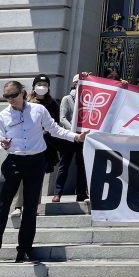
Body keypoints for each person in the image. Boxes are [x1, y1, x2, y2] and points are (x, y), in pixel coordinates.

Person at [0, 80, 88, 264]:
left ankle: (24, 251)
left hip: (36, 161)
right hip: (13, 161)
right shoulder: (2, 116)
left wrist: (75, 137)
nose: (10, 99)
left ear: (22, 93)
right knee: (1, 208)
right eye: (6, 96)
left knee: (31, 208)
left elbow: (54, 129)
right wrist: (3, 143)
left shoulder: (38, 110)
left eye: (13, 95)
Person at [54, 74, 88, 202]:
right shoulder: (67, 98)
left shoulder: (87, 99)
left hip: (83, 138)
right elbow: (62, 118)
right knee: (64, 165)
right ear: (75, 84)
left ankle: (81, 193)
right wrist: (73, 132)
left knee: (82, 165)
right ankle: (58, 193)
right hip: (69, 137)